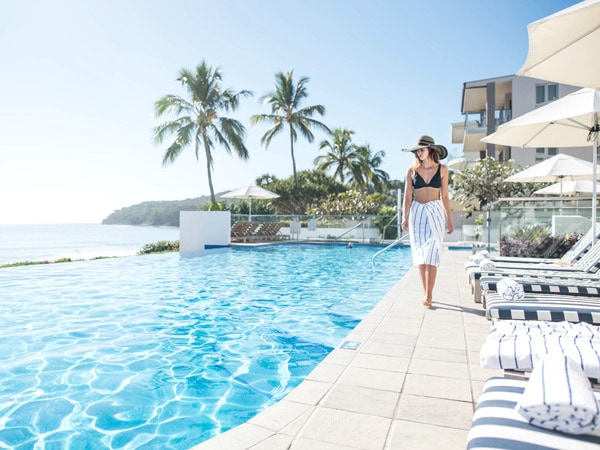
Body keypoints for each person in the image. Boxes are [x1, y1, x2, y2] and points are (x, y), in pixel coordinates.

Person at [401, 135, 454, 308]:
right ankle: (425, 292)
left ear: (430, 149)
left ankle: (429, 295)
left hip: (435, 211)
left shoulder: (443, 169)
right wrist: (404, 217)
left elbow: (445, 196)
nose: (419, 153)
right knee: (420, 256)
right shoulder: (411, 171)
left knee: (432, 253)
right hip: (417, 213)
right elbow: (407, 196)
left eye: (421, 149)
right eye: (417, 151)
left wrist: (450, 219)